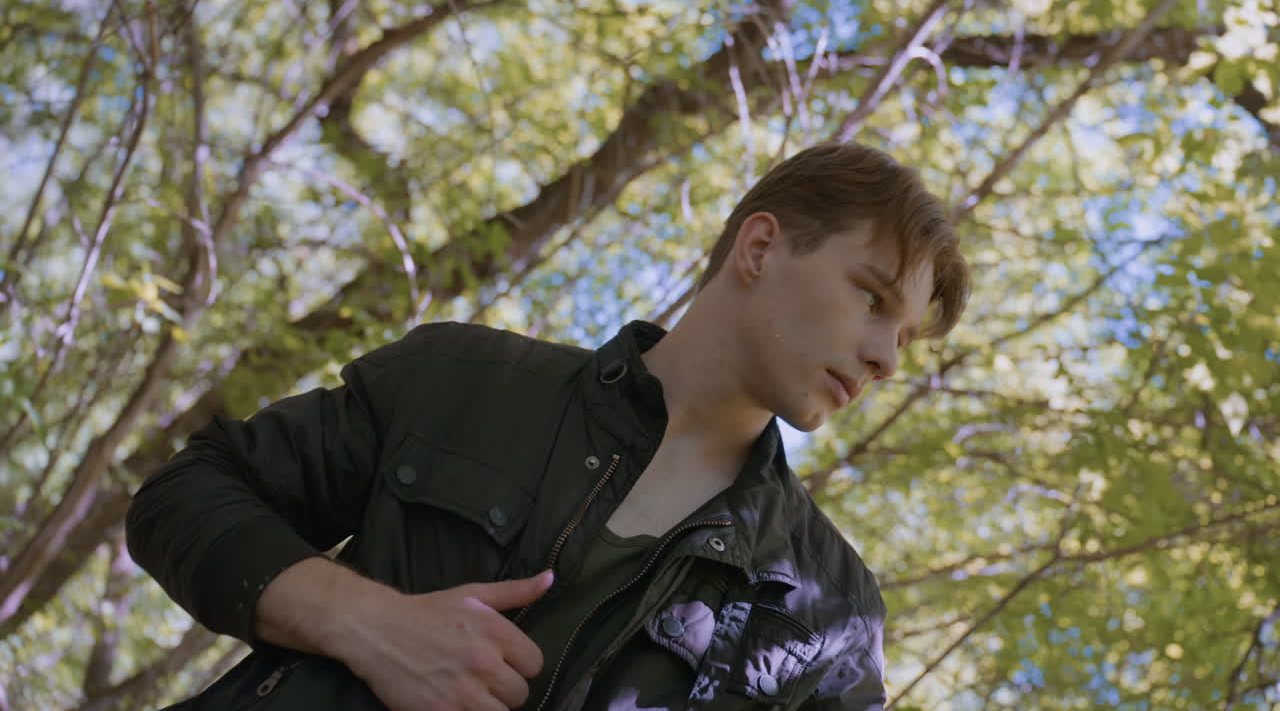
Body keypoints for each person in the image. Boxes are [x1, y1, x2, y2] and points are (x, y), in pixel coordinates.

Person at [126, 140, 970, 711]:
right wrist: (366, 622)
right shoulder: (467, 378)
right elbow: (185, 495)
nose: (885, 359)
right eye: (872, 297)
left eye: (905, 338)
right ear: (759, 249)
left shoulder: (831, 613)